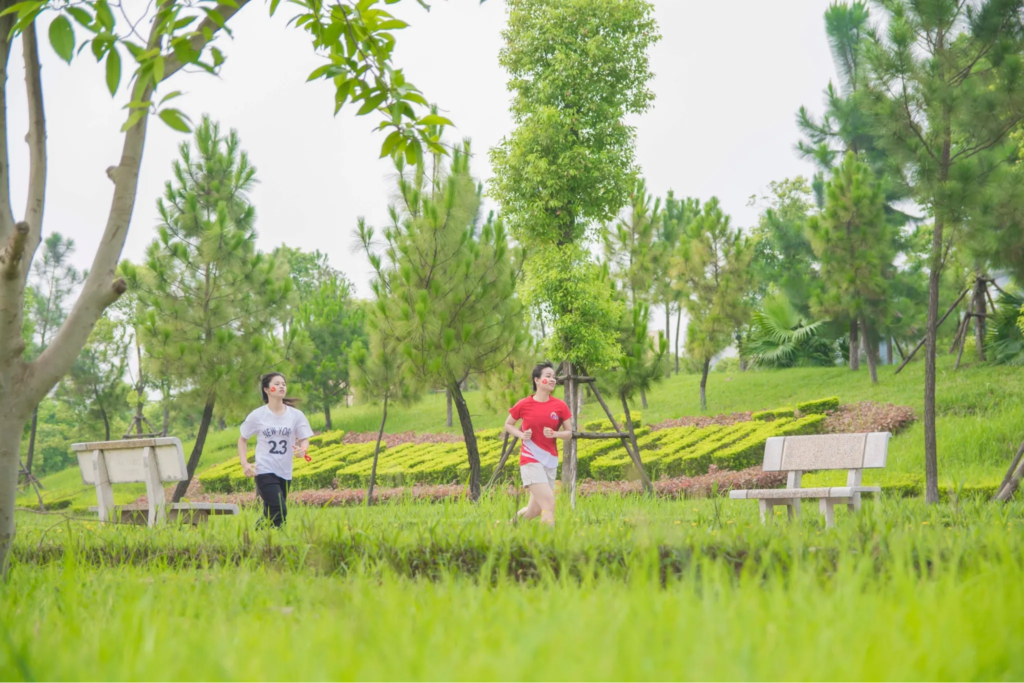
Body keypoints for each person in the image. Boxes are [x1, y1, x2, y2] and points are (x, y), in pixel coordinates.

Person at [238, 373, 313, 528]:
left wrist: (303, 450)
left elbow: (304, 439)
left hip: (285, 471)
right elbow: (242, 439)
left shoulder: (295, 415)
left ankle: (257, 536)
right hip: (264, 470)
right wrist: (245, 464)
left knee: (271, 513)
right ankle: (279, 541)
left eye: (284, 384)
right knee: (280, 510)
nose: (281, 387)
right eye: (277, 384)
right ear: (267, 389)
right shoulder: (258, 415)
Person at [503, 361, 573, 527]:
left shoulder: (560, 406)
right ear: (536, 380)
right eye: (548, 376)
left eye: (554, 377)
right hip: (530, 459)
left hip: (550, 461)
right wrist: (522, 434)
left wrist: (556, 434)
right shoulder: (524, 404)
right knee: (549, 504)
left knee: (533, 511)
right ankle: (546, 546)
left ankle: (506, 528)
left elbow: (569, 433)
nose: (552, 380)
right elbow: (508, 424)